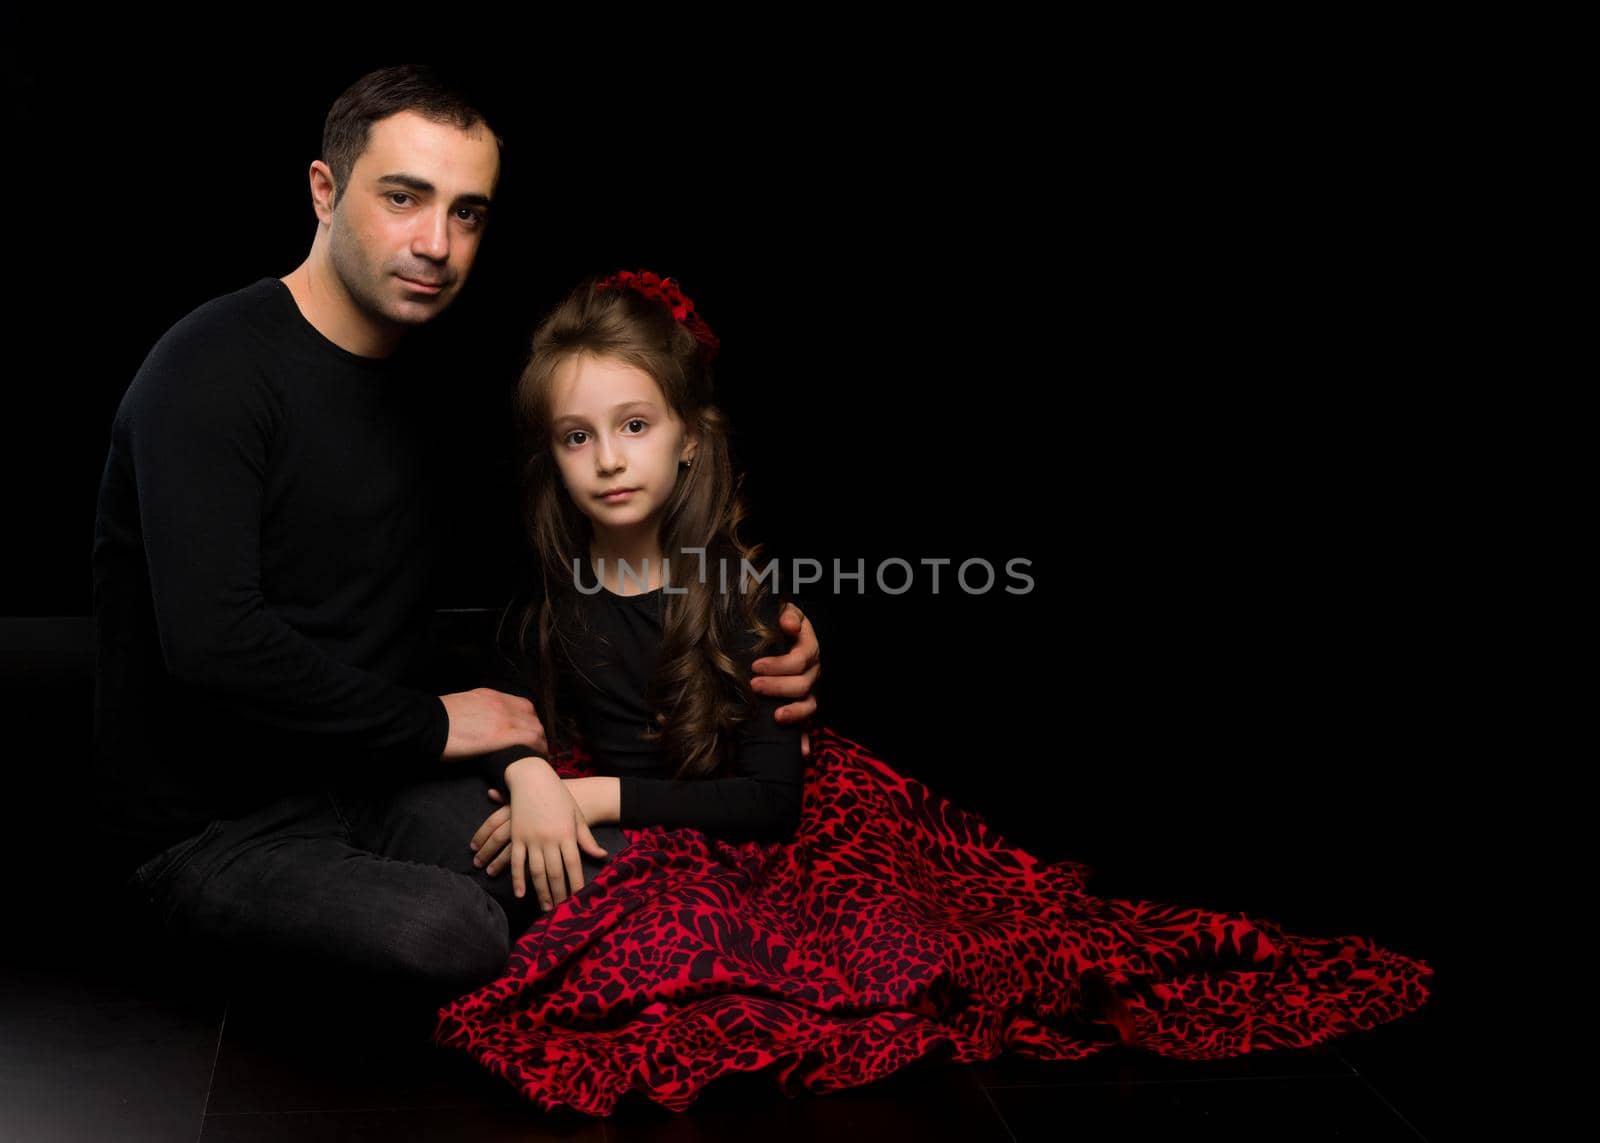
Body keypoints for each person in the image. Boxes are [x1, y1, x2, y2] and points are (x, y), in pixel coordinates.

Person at [432, 270, 1437, 1116]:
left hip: (756, 828)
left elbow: (767, 804)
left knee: (906, 947)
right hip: (647, 839)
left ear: (689, 437)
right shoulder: (544, 609)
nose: (608, 458)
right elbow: (511, 721)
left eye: (634, 425)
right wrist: (528, 773)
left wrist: (594, 796)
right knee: (609, 924)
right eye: (577, 437)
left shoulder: (741, 612)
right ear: (551, 458)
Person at [90, 66, 820, 1000]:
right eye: (403, 198)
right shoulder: (210, 369)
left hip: (374, 781)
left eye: (466, 212)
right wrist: (438, 722)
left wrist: (767, 639)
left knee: (617, 887)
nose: (436, 243)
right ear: (324, 190)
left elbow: (556, 580)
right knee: (453, 933)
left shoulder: (434, 385)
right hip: (212, 826)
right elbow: (214, 647)